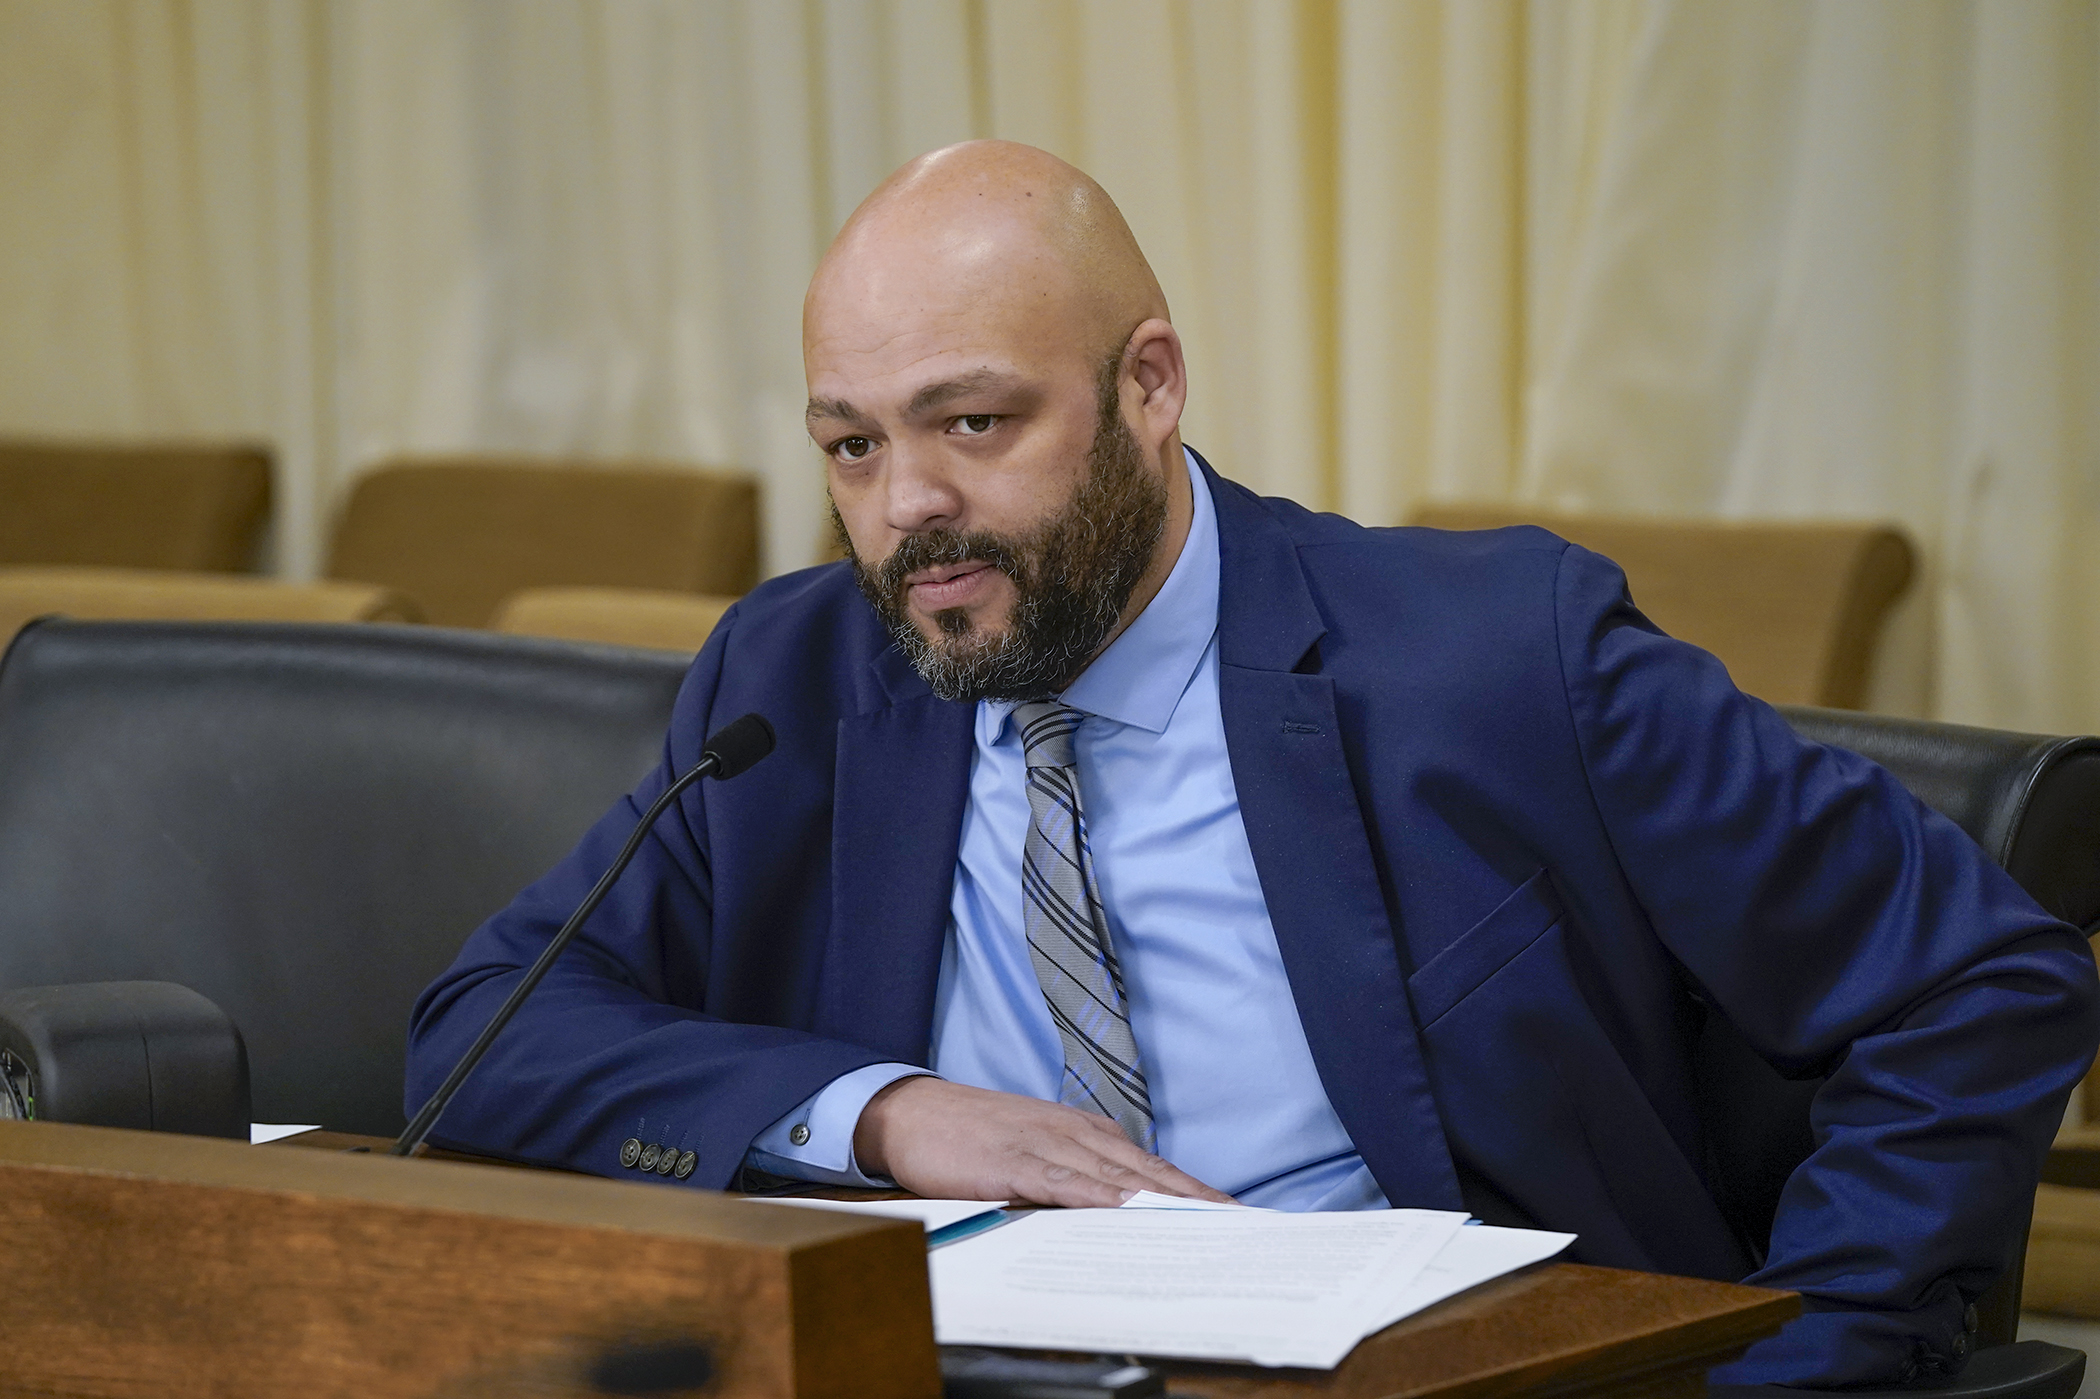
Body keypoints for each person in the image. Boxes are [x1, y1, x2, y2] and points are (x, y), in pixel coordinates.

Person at [407, 141, 2098, 1389]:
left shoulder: (1502, 658)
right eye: (852, 445)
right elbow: (485, 1035)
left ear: (1150, 384)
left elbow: (1977, 982)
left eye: (971, 423)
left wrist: (1800, 1379)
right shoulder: (797, 677)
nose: (904, 505)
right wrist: (886, 1115)